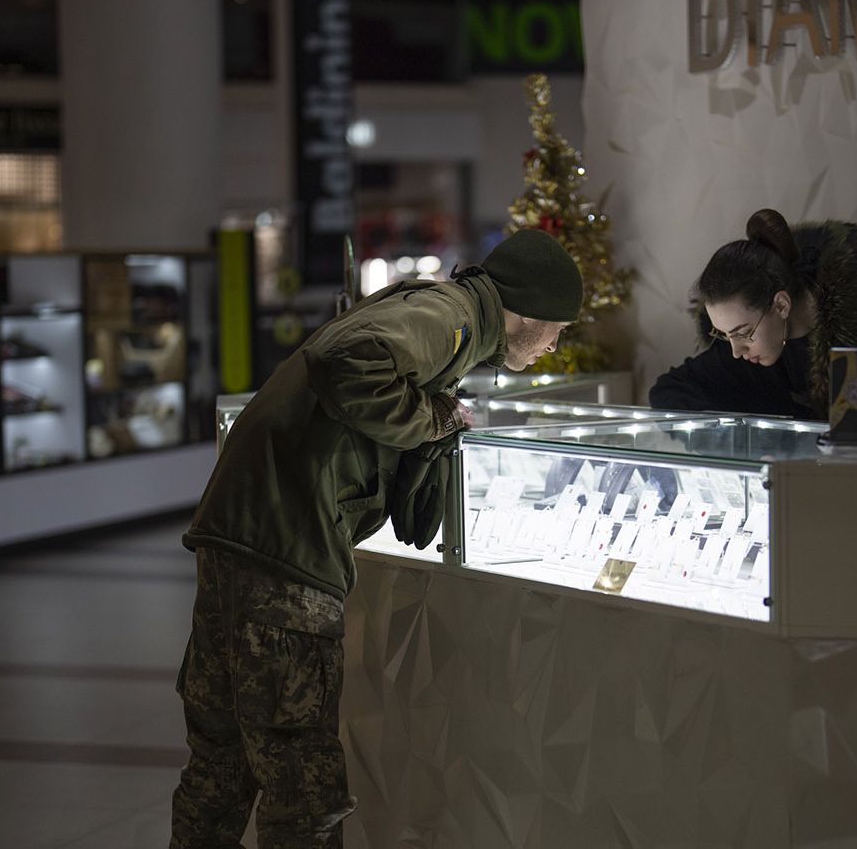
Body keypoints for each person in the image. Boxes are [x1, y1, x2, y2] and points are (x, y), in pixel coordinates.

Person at [171, 229, 582, 848]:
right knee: (301, 794)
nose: (556, 345)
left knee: (220, 771)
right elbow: (346, 361)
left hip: (242, 539)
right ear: (529, 310)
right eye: (559, 329)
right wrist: (431, 421)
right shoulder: (453, 318)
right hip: (287, 554)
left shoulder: (444, 311)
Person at [648, 208, 857, 419]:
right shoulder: (750, 347)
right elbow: (669, 390)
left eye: (742, 333)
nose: (736, 351)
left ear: (781, 305)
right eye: (723, 334)